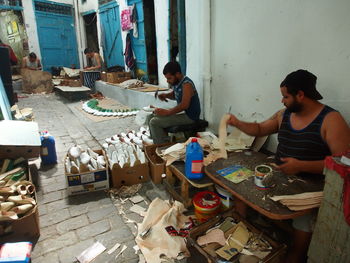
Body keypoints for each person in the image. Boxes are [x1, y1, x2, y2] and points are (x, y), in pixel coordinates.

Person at [226, 69, 350, 263]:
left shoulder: (331, 120)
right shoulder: (284, 115)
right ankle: (246, 234)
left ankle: (295, 254)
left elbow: (342, 165)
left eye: (285, 96)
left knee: (302, 226)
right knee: (238, 187)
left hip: (311, 187)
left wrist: (302, 166)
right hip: (280, 174)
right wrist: (237, 123)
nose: (282, 101)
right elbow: (259, 129)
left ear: (300, 95)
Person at [147, 61, 201, 144]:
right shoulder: (177, 82)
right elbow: (176, 94)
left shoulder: (187, 84)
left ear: (178, 74)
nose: (167, 81)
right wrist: (166, 95)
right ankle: (159, 141)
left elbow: (184, 105)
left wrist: (167, 112)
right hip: (183, 114)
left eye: (169, 78)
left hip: (190, 117)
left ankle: (162, 147)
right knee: (150, 116)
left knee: (154, 122)